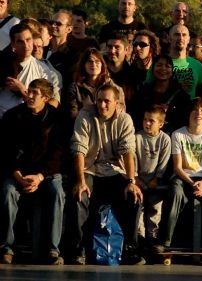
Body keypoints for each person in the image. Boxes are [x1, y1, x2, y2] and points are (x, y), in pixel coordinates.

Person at [66, 81, 144, 265]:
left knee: (134, 197)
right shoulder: (85, 116)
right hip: (89, 169)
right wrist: (80, 181)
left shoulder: (125, 119)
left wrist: (131, 181)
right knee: (80, 196)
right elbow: (79, 149)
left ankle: (130, 249)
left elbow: (128, 152)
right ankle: (79, 249)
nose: (102, 105)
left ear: (116, 103)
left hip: (115, 171)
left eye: (107, 101)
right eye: (99, 100)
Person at [0, 79, 65, 265]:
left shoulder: (57, 119)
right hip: (18, 172)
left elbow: (58, 154)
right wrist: (17, 174)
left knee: (57, 191)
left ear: (45, 97)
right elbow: (5, 150)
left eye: (35, 93)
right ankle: (7, 247)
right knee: (8, 191)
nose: (29, 95)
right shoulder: (13, 116)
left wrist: (40, 176)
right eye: (29, 91)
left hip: (46, 173)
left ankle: (53, 248)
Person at [157, 98, 202, 257]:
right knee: (175, 193)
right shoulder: (178, 134)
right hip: (184, 176)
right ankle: (164, 242)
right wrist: (193, 183)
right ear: (188, 113)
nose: (198, 113)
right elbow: (178, 167)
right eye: (195, 110)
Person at [0, 22, 61, 118]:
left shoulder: (42, 69)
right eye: (20, 41)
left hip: (29, 120)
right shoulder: (3, 63)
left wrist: (22, 89)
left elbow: (45, 102)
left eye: (28, 40)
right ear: (13, 44)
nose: (26, 45)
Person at [134, 105, 171, 251]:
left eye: (151, 121)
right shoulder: (137, 137)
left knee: (155, 209)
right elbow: (133, 156)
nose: (147, 123)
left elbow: (164, 161)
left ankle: (152, 237)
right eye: (145, 120)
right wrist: (136, 177)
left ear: (160, 124)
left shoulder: (165, 139)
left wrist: (157, 177)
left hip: (155, 181)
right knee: (140, 208)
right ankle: (140, 238)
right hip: (139, 179)